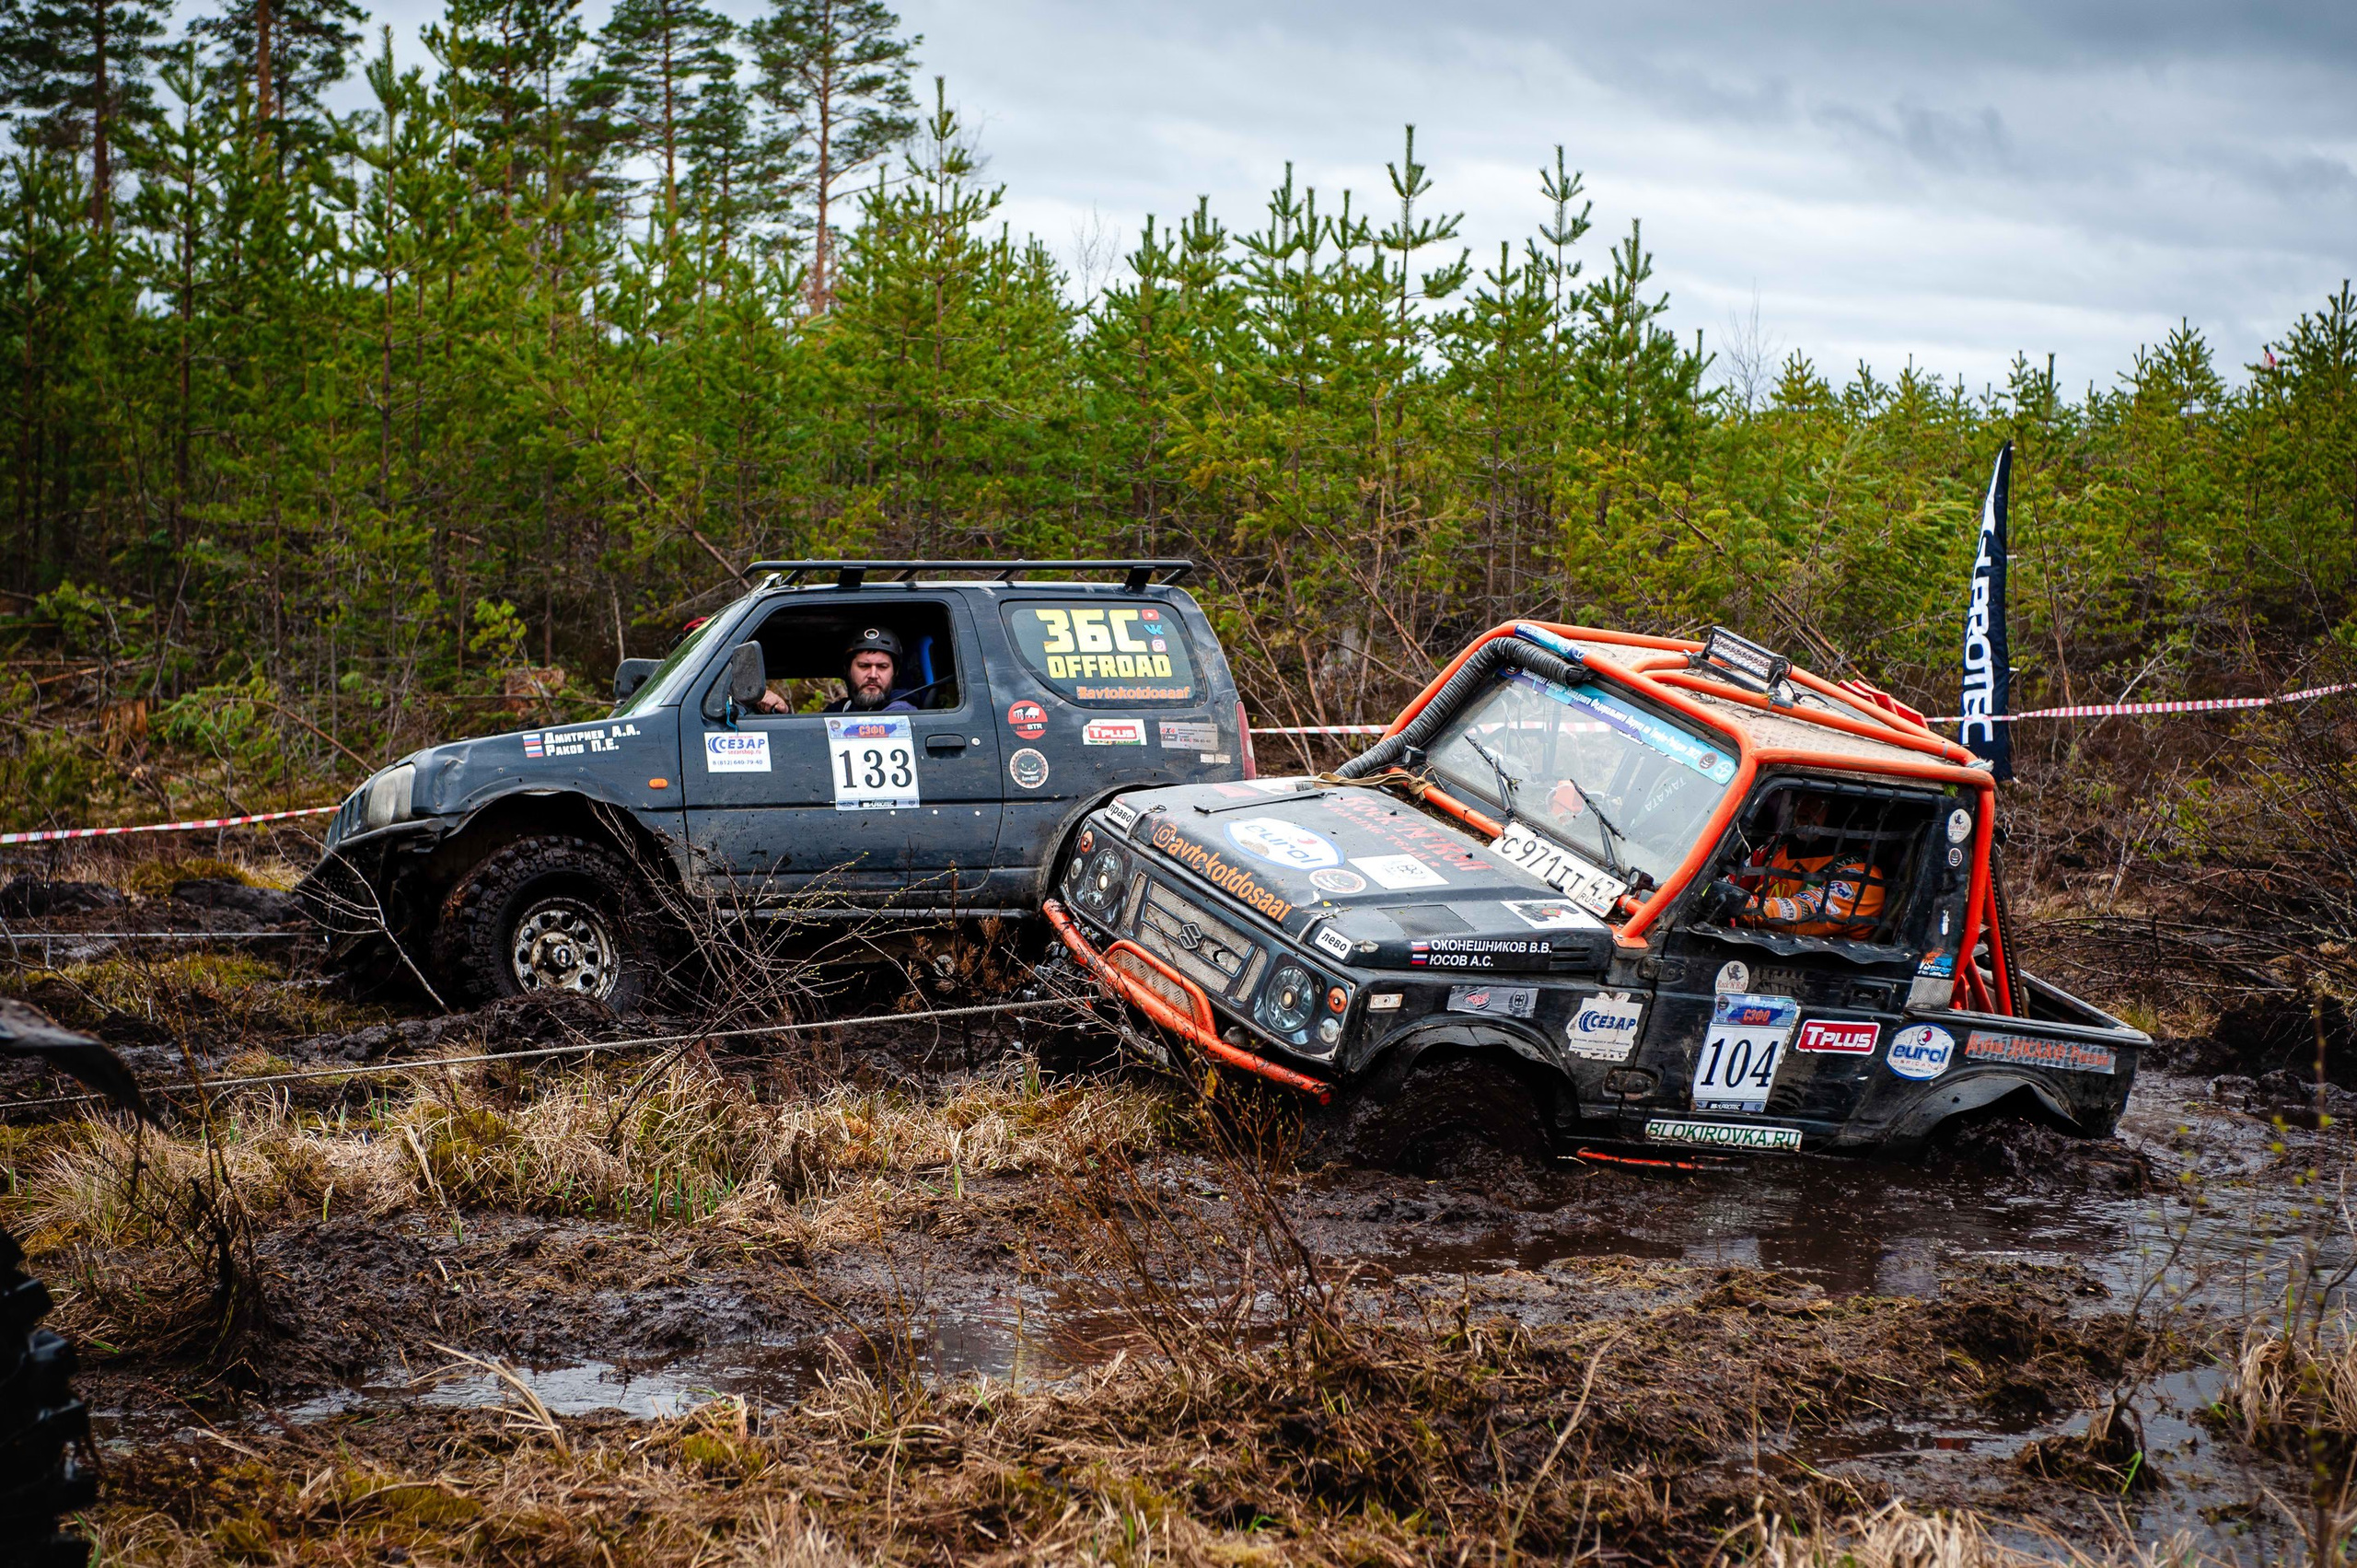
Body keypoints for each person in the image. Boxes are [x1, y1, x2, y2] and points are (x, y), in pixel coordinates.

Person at [821, 628, 917, 714]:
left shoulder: (902, 712)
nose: (873, 675)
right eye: (864, 666)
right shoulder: (836, 711)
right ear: (847, 669)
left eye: (882, 667)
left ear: (895, 672)